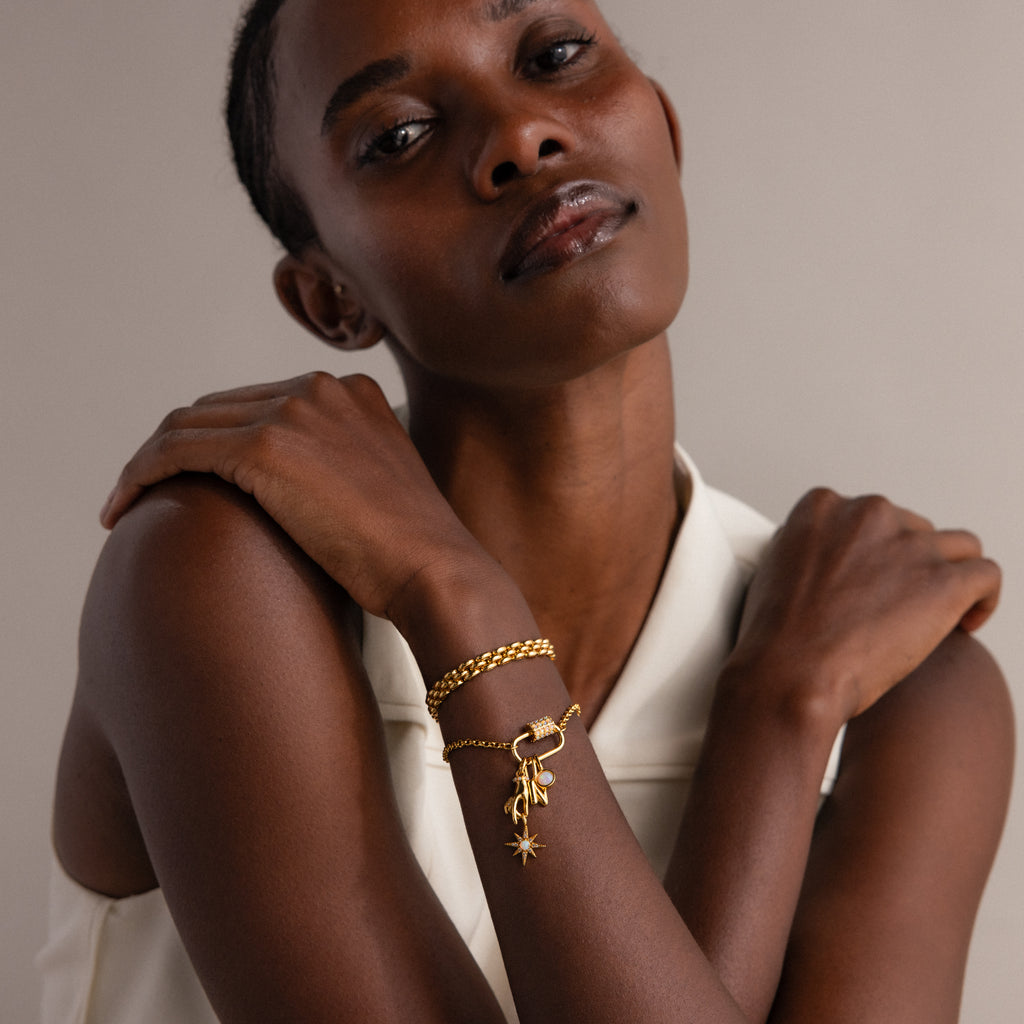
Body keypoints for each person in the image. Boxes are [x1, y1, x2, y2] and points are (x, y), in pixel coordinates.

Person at [40, 0, 1013, 1021]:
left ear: (664, 131)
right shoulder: (216, 576)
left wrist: (784, 701)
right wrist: (459, 594)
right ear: (332, 297)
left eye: (554, 54)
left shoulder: (897, 688)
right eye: (399, 135)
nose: (519, 134)